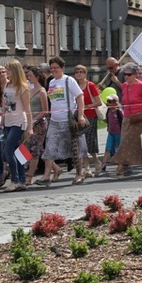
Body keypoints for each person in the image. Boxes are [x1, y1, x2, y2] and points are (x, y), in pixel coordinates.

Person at [36, 56, 88, 186]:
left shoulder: (69, 80)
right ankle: (46, 175)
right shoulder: (51, 82)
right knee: (50, 147)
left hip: (69, 120)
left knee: (76, 148)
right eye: (51, 68)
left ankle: (79, 174)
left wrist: (81, 115)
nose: (53, 70)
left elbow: (80, 96)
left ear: (62, 68)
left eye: (56, 68)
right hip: (54, 120)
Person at [110, 62, 142, 178]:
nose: (126, 77)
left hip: (140, 119)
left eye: (129, 74)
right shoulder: (125, 86)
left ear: (135, 74)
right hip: (127, 118)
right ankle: (120, 168)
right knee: (125, 143)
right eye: (125, 75)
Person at [2, 60, 33, 192]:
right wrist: (2, 120)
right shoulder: (7, 85)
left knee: (8, 150)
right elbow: (4, 104)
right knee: (16, 152)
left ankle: (14, 180)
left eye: (8, 69)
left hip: (18, 121)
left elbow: (27, 108)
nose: (6, 72)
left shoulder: (23, 87)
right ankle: (21, 180)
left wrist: (30, 127)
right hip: (8, 121)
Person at [24, 65, 57, 186]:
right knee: (39, 149)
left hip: (39, 123)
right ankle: (56, 169)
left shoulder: (42, 91)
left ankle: (29, 176)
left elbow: (45, 110)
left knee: (34, 150)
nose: (28, 77)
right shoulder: (29, 89)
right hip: (30, 123)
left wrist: (33, 119)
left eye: (30, 76)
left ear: (37, 77)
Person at [74, 65, 103, 177]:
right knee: (82, 143)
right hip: (78, 117)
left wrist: (86, 106)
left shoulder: (90, 85)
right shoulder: (75, 86)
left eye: (81, 72)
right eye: (77, 72)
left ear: (85, 74)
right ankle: (87, 168)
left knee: (90, 141)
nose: (79, 74)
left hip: (90, 116)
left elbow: (99, 102)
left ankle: (96, 161)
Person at [101, 94, 123, 171]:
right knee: (108, 148)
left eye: (110, 102)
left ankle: (122, 162)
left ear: (115, 103)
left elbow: (123, 121)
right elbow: (108, 121)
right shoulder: (108, 111)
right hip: (111, 133)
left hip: (118, 133)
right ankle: (103, 163)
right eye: (108, 102)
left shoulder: (119, 112)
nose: (108, 103)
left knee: (119, 147)